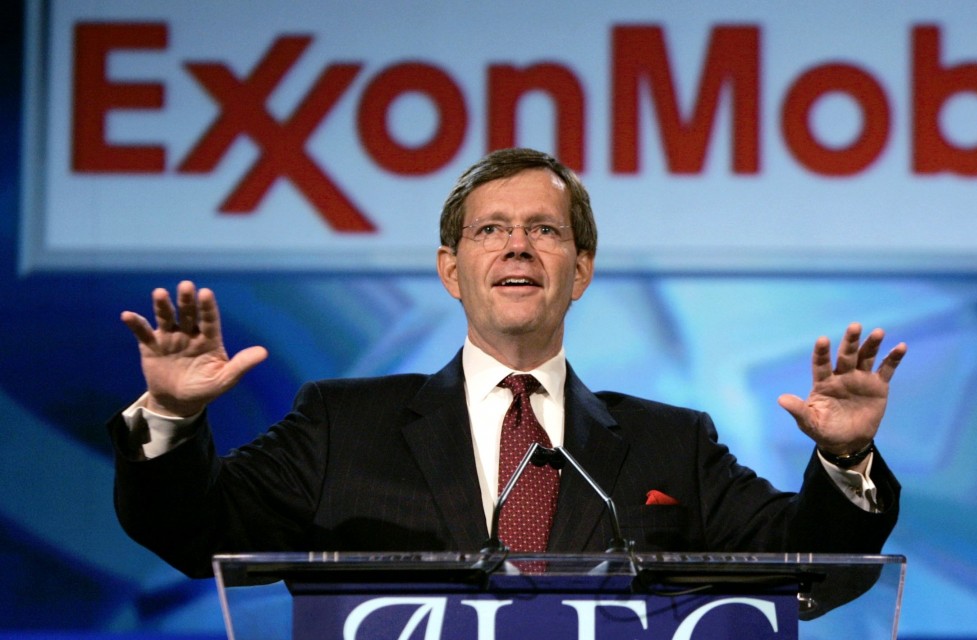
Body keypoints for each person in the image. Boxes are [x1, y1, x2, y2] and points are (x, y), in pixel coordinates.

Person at [110, 148, 907, 579]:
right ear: (451, 271)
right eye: (490, 230)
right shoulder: (341, 424)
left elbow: (810, 565)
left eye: (544, 230)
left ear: (581, 270)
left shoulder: (673, 444)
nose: (519, 244)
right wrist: (174, 419)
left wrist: (843, 459)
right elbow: (194, 534)